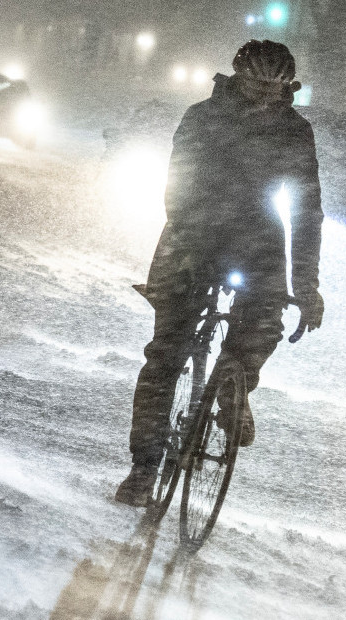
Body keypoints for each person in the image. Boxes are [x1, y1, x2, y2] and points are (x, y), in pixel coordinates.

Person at [114, 39, 325, 507]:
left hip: (257, 241)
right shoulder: (202, 117)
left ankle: (234, 389)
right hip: (192, 234)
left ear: (288, 87)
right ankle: (144, 467)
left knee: (264, 321)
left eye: (276, 89)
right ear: (237, 77)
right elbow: (178, 187)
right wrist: (191, 245)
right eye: (257, 86)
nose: (266, 98)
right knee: (166, 355)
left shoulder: (295, 131)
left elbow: (307, 211)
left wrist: (306, 283)